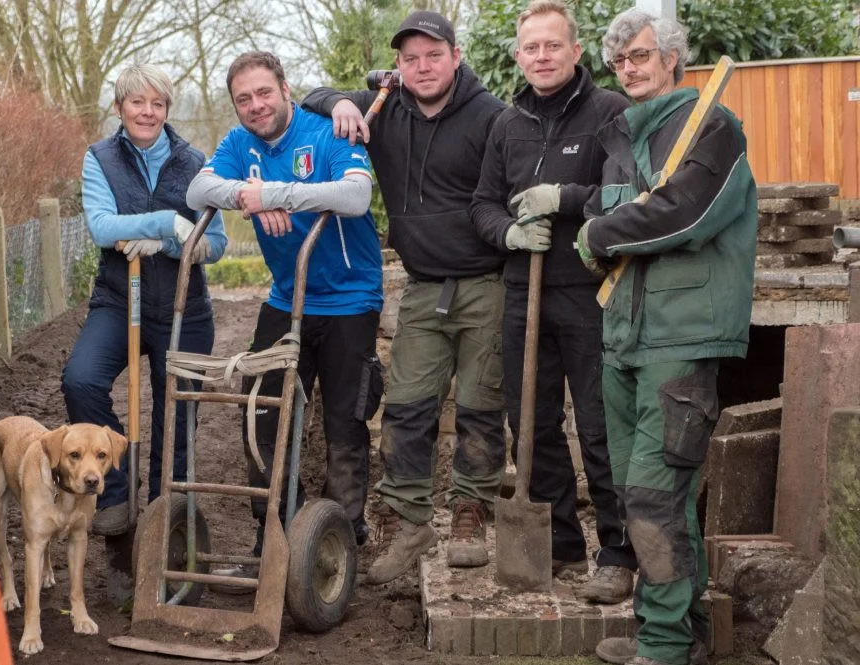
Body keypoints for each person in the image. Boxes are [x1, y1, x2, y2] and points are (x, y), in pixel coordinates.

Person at [577, 10, 757, 665]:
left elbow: (687, 213)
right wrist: (599, 235)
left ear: (673, 57)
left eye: (641, 54)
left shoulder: (713, 126)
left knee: (654, 494)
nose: (629, 67)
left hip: (681, 338)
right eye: (620, 59)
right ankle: (684, 629)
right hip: (624, 333)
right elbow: (608, 219)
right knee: (647, 494)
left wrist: (599, 233)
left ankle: (662, 643)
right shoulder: (624, 136)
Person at [302, 10, 508, 582]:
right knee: (406, 407)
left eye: (433, 56)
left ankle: (469, 512)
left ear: (456, 56)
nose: (422, 67)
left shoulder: (492, 118)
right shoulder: (384, 111)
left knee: (481, 406)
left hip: (486, 284)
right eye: (410, 59)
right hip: (423, 288)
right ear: (397, 66)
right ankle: (410, 521)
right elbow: (311, 94)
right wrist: (340, 103)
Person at [185, 51, 384, 575]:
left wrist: (276, 194)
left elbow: (356, 195)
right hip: (284, 298)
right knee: (263, 413)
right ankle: (270, 536)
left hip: (349, 299)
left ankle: (338, 541)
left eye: (263, 93)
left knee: (346, 421)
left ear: (285, 89)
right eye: (244, 99)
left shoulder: (327, 131)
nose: (255, 106)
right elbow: (197, 189)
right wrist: (248, 198)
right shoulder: (237, 144)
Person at [469, 0, 636, 603]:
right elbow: (483, 204)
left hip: (593, 294)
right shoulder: (506, 125)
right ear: (519, 56)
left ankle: (617, 551)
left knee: (599, 425)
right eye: (531, 48)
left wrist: (564, 198)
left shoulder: (609, 113)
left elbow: (627, 194)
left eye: (552, 46)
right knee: (532, 425)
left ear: (575, 51)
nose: (541, 56)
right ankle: (562, 542)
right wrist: (509, 233)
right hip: (525, 294)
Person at [61, 64, 228, 537]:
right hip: (118, 301)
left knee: (175, 417)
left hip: (184, 308)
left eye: (157, 103)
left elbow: (215, 244)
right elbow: (101, 226)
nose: (147, 112)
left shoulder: (196, 162)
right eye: (137, 102)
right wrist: (164, 223)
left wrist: (176, 244)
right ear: (120, 108)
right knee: (81, 380)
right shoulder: (100, 158)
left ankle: (161, 514)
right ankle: (114, 484)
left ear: (167, 110)